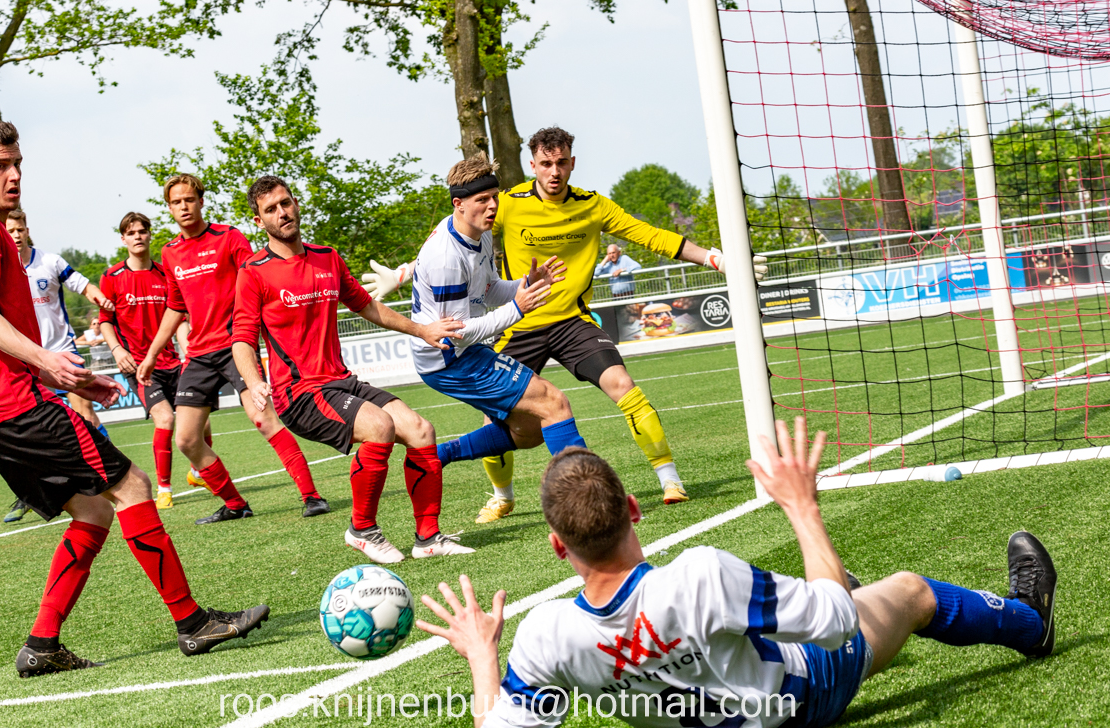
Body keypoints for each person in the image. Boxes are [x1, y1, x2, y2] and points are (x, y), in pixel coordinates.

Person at [418, 418, 1058, 728]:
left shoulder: (544, 633)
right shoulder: (698, 576)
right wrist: (802, 507)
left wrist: (482, 653)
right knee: (908, 591)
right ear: (634, 508)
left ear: (558, 547)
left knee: (793, 602)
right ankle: (1033, 622)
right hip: (803, 699)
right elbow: (834, 624)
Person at [0, 121, 269, 677]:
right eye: (0, 165)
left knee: (94, 509)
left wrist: (69, 381)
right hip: (10, 404)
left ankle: (42, 645)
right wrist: (49, 361)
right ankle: (192, 622)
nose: (14, 175)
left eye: (18, 163)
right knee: (133, 487)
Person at [362, 127, 768, 513]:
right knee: (526, 416)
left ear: (572, 163)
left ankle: (670, 480)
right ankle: (515, 497)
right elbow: (450, 251)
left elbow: (651, 236)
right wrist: (403, 274)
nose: (554, 171)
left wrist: (715, 258)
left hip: (569, 320)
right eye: (545, 163)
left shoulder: (590, 205)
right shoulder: (506, 205)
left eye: (561, 163)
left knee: (609, 391)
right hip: (510, 327)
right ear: (533, 165)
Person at [232, 175, 472, 561]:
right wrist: (254, 381)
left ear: (296, 204)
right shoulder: (254, 271)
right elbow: (242, 339)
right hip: (299, 393)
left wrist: (422, 329)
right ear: (259, 222)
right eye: (271, 209)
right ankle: (362, 529)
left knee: (421, 430)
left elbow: (367, 306)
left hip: (341, 381)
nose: (282, 213)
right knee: (379, 426)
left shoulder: (327, 257)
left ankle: (428, 538)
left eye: (285, 203)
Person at [411, 154, 588, 524]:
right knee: (554, 403)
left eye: (495, 197)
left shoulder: (478, 233)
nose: (493, 206)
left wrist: (525, 285)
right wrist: (519, 308)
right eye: (482, 200)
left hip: (462, 351)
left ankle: (437, 455)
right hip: (449, 359)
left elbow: (488, 289)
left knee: (530, 430)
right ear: (458, 204)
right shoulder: (446, 257)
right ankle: (585, 502)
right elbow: (457, 335)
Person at [136, 173, 320, 525]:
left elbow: (259, 279)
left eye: (189, 199)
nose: (183, 207)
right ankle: (235, 504)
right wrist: (151, 355)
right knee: (186, 440)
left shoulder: (229, 237)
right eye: (176, 202)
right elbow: (175, 307)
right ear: (169, 208)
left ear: (201, 201)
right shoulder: (170, 252)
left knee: (264, 420)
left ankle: (312, 496)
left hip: (238, 346)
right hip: (198, 355)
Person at [2, 208, 115, 524]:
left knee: (84, 414)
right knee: (31, 432)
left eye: (20, 229)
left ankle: (111, 475)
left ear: (27, 230)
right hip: (30, 360)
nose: (16, 235)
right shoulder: (4, 271)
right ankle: (29, 493)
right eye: (10, 230)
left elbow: (83, 285)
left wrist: (100, 298)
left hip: (64, 353)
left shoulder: (49, 262)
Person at [99, 212, 209, 509]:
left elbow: (180, 318)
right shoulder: (112, 277)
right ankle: (164, 489)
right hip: (139, 367)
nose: (137, 236)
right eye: (131, 232)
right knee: (166, 419)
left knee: (201, 422)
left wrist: (189, 352)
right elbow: (105, 320)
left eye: (142, 231)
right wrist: (117, 350)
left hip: (173, 363)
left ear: (149, 235)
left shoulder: (164, 273)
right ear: (123, 239)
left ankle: (199, 473)